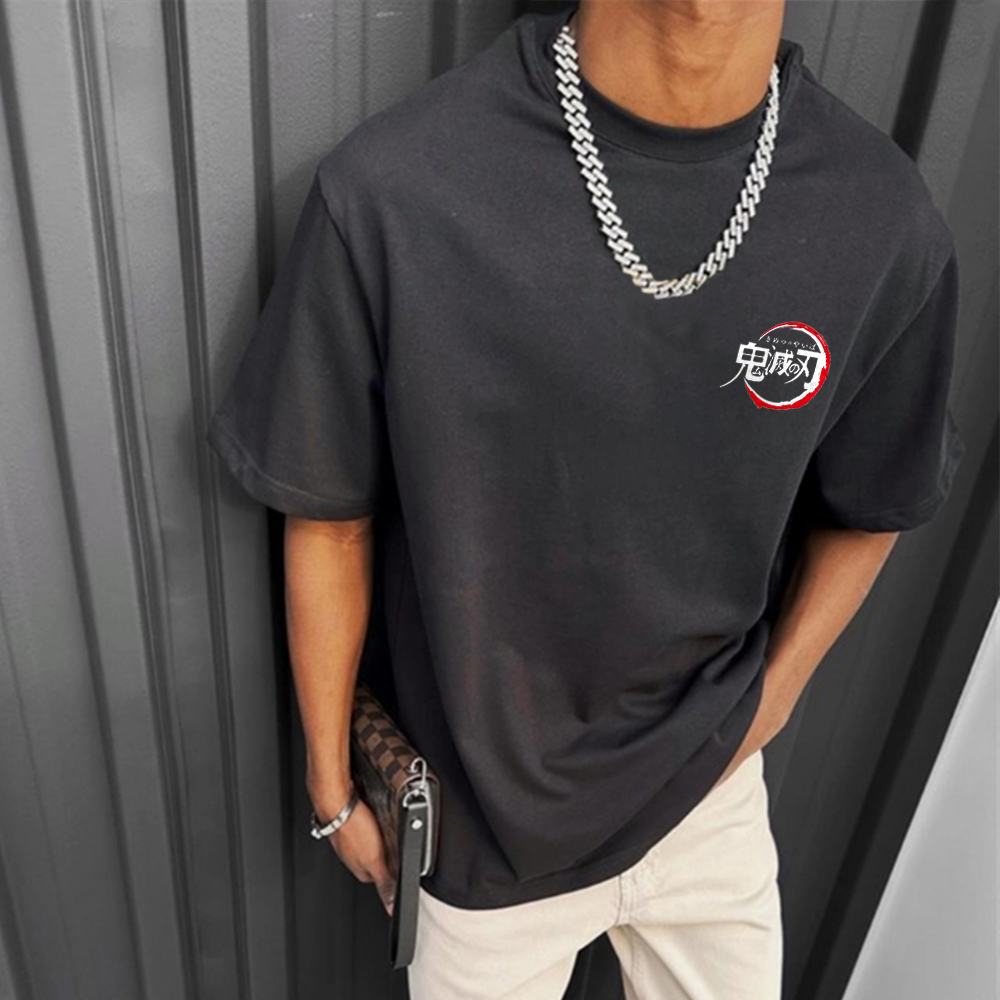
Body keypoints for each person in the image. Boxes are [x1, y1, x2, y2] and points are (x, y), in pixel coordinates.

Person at [205, 1, 967, 997]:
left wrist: (765, 708)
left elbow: (872, 503)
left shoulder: (878, 219)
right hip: (484, 838)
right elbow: (328, 513)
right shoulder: (399, 189)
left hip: (711, 803)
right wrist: (332, 789)